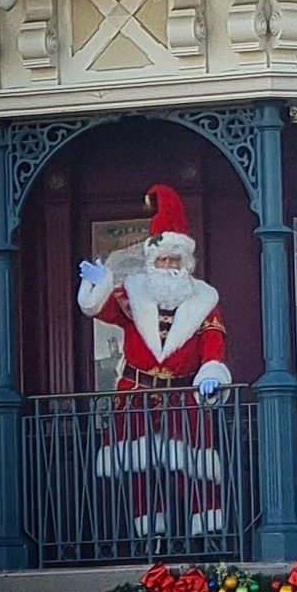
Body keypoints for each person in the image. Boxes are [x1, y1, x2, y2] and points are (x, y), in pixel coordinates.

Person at [77, 183, 231, 538]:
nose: (169, 266)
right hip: (136, 393)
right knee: (139, 469)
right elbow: (103, 311)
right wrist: (99, 286)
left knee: (195, 465)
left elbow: (214, 341)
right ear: (153, 261)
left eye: (175, 260)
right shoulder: (133, 294)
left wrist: (211, 371)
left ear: (185, 263)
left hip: (182, 395)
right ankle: (150, 534)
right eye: (163, 259)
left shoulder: (205, 300)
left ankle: (207, 531)